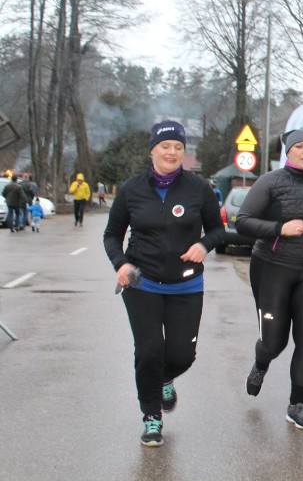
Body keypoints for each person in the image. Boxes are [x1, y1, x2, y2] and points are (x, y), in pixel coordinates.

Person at [103, 120, 225, 447]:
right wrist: (121, 263)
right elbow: (112, 235)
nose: (172, 152)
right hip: (141, 282)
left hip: (185, 285)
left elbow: (217, 230)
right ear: (152, 150)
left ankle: (167, 378)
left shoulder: (198, 188)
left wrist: (204, 245)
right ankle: (152, 416)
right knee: (148, 351)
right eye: (165, 146)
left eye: (178, 147)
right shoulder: (131, 189)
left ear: (184, 153)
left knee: (182, 355)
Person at [235, 128, 303, 431]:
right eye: (300, 146)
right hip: (273, 268)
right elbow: (242, 221)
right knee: (275, 341)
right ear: (289, 151)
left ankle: (296, 405)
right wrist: (280, 229)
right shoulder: (270, 182)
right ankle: (261, 363)